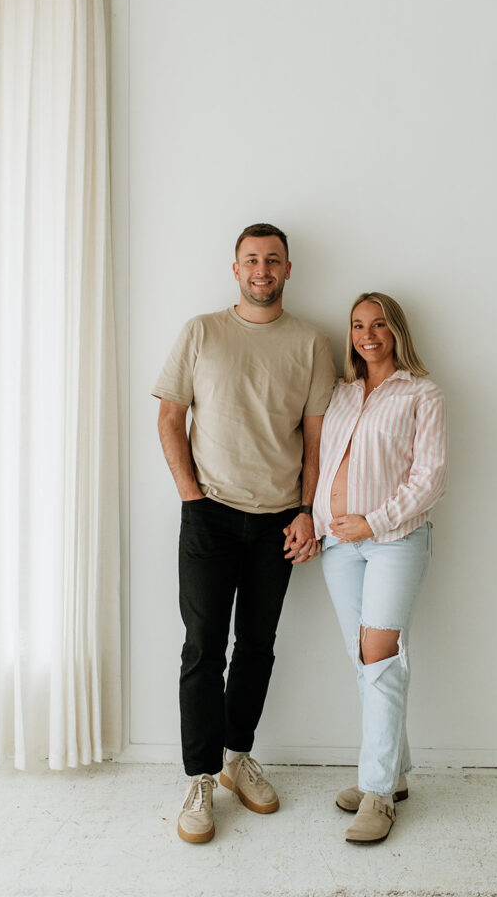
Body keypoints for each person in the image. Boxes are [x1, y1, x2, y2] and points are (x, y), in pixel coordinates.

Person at [153, 223, 335, 844]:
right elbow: (169, 417)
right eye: (251, 260)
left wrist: (307, 510)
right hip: (209, 513)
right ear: (235, 269)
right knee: (204, 647)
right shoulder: (202, 331)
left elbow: (316, 441)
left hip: (279, 518)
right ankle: (200, 776)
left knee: (257, 644)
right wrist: (191, 498)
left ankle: (237, 758)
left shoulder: (311, 343)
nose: (262, 270)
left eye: (273, 261)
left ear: (289, 269)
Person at [312, 291, 447, 844]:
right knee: (364, 659)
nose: (368, 335)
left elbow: (430, 476)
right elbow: (319, 462)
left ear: (397, 331)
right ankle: (391, 775)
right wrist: (320, 523)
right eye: (358, 325)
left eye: (379, 324)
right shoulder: (341, 394)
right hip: (338, 547)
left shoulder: (422, 392)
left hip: (394, 541)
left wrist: (374, 521)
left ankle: (377, 794)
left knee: (380, 658)